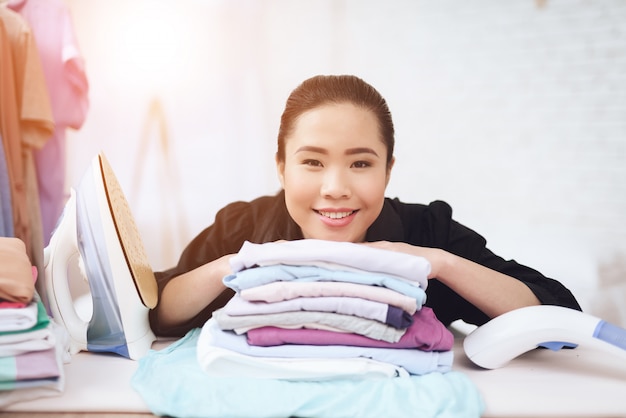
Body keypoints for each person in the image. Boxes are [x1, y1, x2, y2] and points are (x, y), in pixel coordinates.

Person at [149, 74, 581, 338]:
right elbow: (160, 310)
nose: (335, 188)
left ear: (388, 170)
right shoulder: (244, 224)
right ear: (281, 168)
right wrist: (238, 264)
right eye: (312, 162)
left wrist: (440, 264)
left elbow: (557, 314)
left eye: (360, 162)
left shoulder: (428, 231)